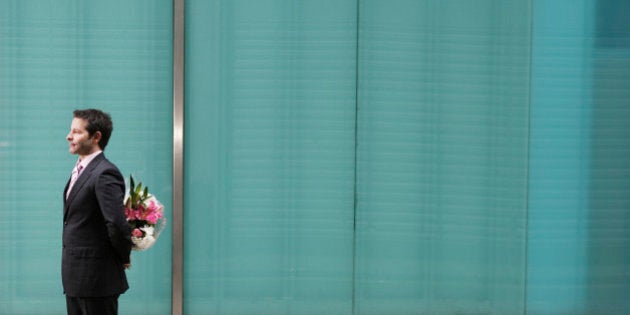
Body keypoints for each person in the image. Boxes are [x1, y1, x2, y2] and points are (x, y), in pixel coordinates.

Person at [62, 109, 131, 315]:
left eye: (76, 132)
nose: (69, 136)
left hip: (96, 279)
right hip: (76, 278)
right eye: (70, 131)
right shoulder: (81, 168)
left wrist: (123, 256)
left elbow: (117, 224)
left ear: (96, 137)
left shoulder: (104, 172)